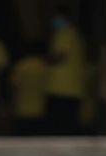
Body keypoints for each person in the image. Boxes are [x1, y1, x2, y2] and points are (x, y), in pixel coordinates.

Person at [45, 3, 86, 135]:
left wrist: (46, 60)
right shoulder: (75, 35)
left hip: (61, 87)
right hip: (73, 87)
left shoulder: (63, 34)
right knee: (69, 123)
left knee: (60, 125)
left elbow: (59, 56)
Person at [10, 40, 50, 136]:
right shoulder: (44, 66)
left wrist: (11, 105)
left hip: (22, 109)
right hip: (40, 109)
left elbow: (13, 86)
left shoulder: (21, 66)